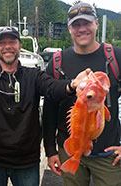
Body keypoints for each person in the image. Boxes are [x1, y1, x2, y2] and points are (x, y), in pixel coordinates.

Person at [0, 26, 90, 186]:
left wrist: (73, 84)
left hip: (26, 161)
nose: (7, 46)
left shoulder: (34, 75)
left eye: (12, 42)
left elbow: (52, 88)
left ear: (19, 46)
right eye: (2, 42)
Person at [42, 1, 121, 186]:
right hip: (69, 150)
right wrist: (51, 150)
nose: (82, 29)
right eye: (76, 25)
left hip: (108, 154)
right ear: (69, 29)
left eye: (86, 23)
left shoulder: (116, 57)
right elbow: (49, 110)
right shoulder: (56, 62)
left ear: (96, 24)